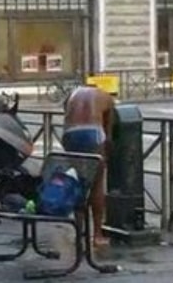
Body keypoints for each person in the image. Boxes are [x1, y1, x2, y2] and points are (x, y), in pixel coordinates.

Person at [62, 85, 115, 248]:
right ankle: (97, 235)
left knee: (78, 182)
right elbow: (108, 131)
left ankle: (79, 232)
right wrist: (107, 148)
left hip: (70, 134)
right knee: (97, 184)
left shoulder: (73, 94)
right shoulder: (107, 98)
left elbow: (66, 115)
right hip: (93, 133)